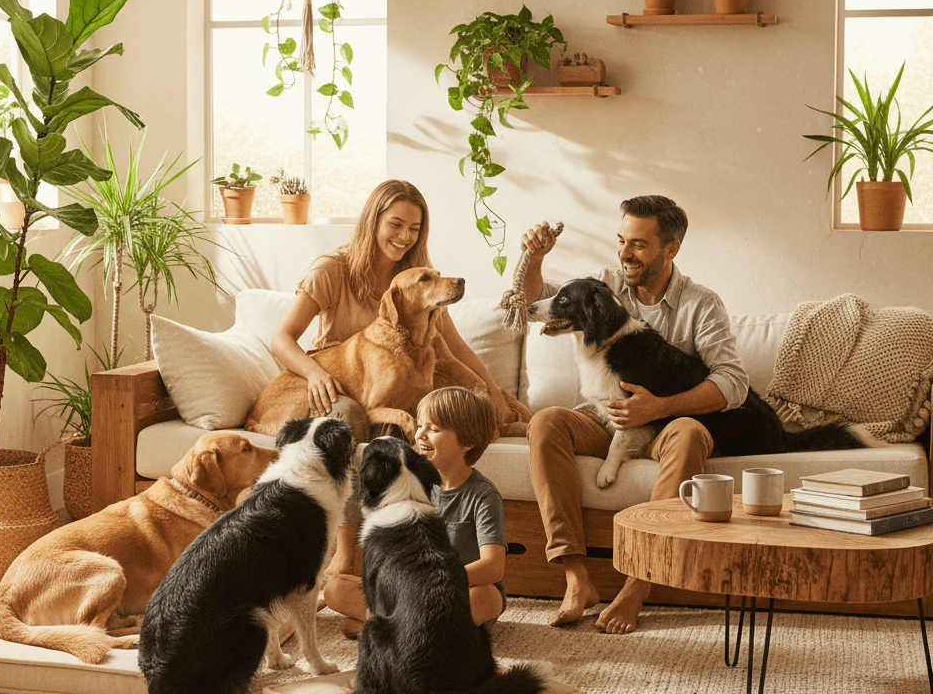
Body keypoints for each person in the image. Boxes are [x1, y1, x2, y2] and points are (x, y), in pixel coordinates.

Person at [519, 196, 749, 634]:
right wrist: (535, 257)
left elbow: (733, 383)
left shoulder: (702, 304)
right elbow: (536, 304)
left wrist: (661, 406)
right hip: (598, 418)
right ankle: (576, 580)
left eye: (639, 245)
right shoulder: (604, 284)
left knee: (690, 433)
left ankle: (637, 585)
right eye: (621, 240)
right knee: (545, 421)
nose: (625, 253)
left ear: (671, 249)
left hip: (661, 426)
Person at [271, 179, 517, 577]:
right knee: (353, 417)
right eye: (396, 224)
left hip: (392, 390)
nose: (405, 237)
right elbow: (281, 338)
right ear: (373, 221)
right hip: (334, 382)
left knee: (425, 423)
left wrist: (493, 395)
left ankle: (418, 549)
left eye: (415, 229)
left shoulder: (419, 280)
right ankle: (348, 555)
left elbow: (453, 350)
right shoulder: (333, 270)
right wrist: (314, 373)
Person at [324, 387, 508, 638]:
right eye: (419, 426)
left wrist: (434, 580)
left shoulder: (483, 495)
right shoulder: (412, 483)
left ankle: (392, 629)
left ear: (468, 441)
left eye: (433, 429)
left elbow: (494, 567)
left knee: (488, 598)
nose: (420, 435)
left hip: (460, 590)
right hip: (412, 593)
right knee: (335, 588)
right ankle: (421, 630)